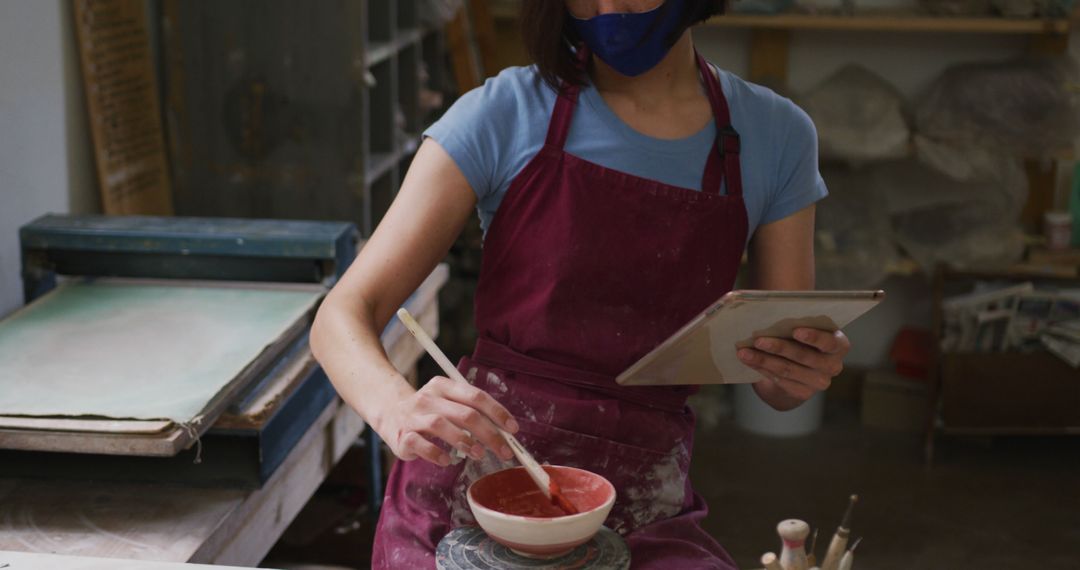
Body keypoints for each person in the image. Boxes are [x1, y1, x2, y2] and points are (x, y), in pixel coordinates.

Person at [310, 0, 850, 567]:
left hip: (646, 497)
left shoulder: (776, 136)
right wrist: (397, 407)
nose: (609, 8)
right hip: (475, 477)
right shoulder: (505, 112)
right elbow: (343, 313)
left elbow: (777, 385)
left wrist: (799, 369)